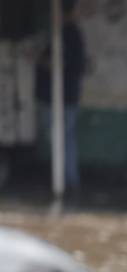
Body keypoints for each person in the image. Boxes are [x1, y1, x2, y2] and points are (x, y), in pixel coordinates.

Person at [35, 0, 87, 195]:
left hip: (59, 97)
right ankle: (68, 180)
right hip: (68, 96)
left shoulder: (66, 35)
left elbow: (59, 63)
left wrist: (43, 61)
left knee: (60, 139)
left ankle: (64, 182)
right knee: (67, 139)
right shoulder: (73, 35)